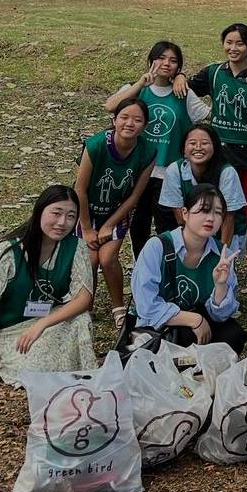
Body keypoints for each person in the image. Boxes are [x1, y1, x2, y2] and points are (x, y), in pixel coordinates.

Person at [174, 23, 247, 270]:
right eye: (229, 42)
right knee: (215, 206)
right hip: (218, 152)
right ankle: (212, 258)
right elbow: (187, 86)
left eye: (239, 43)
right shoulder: (214, 72)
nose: (233, 48)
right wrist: (179, 75)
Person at [0, 186, 95, 386]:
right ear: (39, 211)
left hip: (45, 318)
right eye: (56, 213)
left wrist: (41, 324)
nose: (62, 223)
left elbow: (84, 299)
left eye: (70, 216)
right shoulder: (8, 251)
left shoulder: (76, 247)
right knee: (35, 372)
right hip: (8, 326)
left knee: (80, 321)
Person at [104, 40, 210, 257]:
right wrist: (140, 84)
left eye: (173, 61)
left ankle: (170, 265)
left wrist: (182, 79)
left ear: (178, 67)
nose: (166, 64)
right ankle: (142, 267)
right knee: (138, 224)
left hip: (169, 171)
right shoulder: (136, 89)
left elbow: (207, 115)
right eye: (161, 58)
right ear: (151, 61)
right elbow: (111, 106)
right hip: (138, 168)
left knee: (168, 225)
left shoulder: (183, 92)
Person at [130, 183, 246, 353]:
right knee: (184, 336)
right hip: (161, 324)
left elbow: (220, 316)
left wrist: (220, 286)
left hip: (199, 318)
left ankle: (202, 372)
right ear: (185, 213)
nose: (211, 218)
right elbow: (146, 307)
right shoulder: (158, 247)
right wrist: (194, 320)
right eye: (204, 210)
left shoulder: (223, 255)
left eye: (218, 213)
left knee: (233, 335)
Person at [74, 97, 156, 327]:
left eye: (137, 120)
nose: (130, 123)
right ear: (114, 120)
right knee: (90, 259)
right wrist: (88, 228)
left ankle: (118, 306)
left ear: (145, 125)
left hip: (118, 211)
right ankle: (84, 306)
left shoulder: (148, 152)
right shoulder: (96, 145)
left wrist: (110, 224)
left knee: (108, 258)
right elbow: (79, 188)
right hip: (87, 210)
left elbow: (134, 196)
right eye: (124, 117)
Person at [159, 123, 247, 253]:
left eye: (205, 143)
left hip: (225, 232)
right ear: (184, 148)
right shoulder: (175, 170)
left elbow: (228, 218)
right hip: (191, 230)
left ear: (215, 147)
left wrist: (221, 252)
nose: (198, 148)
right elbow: (180, 217)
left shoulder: (226, 172)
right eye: (192, 143)